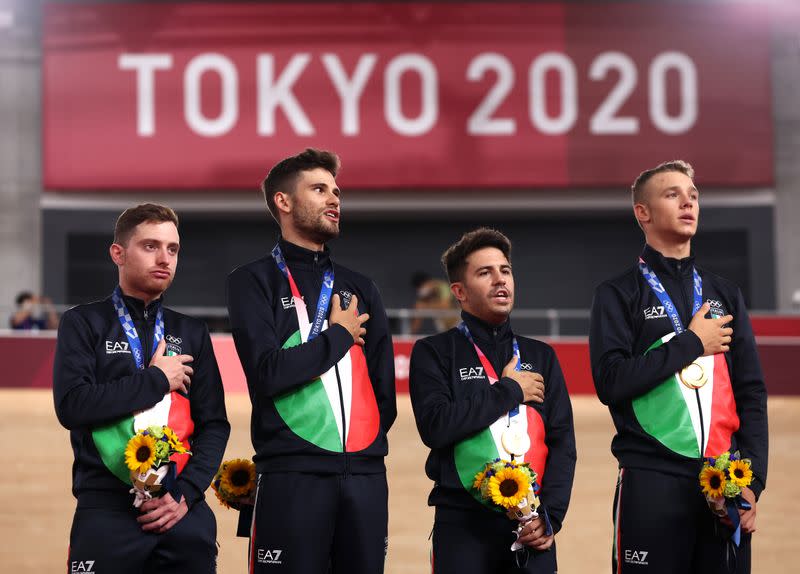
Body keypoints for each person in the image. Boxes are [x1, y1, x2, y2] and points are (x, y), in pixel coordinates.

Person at [589, 160, 768, 573]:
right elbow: (611, 382)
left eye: (693, 195)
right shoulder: (617, 294)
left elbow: (751, 392)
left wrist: (753, 481)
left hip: (726, 483)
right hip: (651, 482)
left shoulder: (725, 293)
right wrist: (691, 344)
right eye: (673, 194)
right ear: (643, 212)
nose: (688, 202)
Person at [226, 148, 396, 574]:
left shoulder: (361, 287)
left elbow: (383, 396)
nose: (334, 199)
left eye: (336, 191)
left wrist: (359, 448)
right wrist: (339, 335)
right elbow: (267, 374)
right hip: (291, 475)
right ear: (283, 202)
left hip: (365, 477)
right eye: (319, 189)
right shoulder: (251, 282)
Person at [53, 203, 230, 573]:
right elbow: (72, 406)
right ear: (118, 253)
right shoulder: (83, 323)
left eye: (172, 249)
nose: (164, 258)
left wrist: (187, 493)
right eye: (150, 246)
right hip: (106, 510)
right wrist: (156, 381)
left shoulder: (192, 332)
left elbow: (214, 424)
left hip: (181, 511)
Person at [409, 227, 576, 573]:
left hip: (533, 524)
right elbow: (437, 427)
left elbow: (562, 443)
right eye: (485, 273)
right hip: (462, 526)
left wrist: (551, 517)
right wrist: (510, 391)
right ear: (459, 291)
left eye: (506, 270)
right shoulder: (434, 353)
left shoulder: (540, 355)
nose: (500, 280)